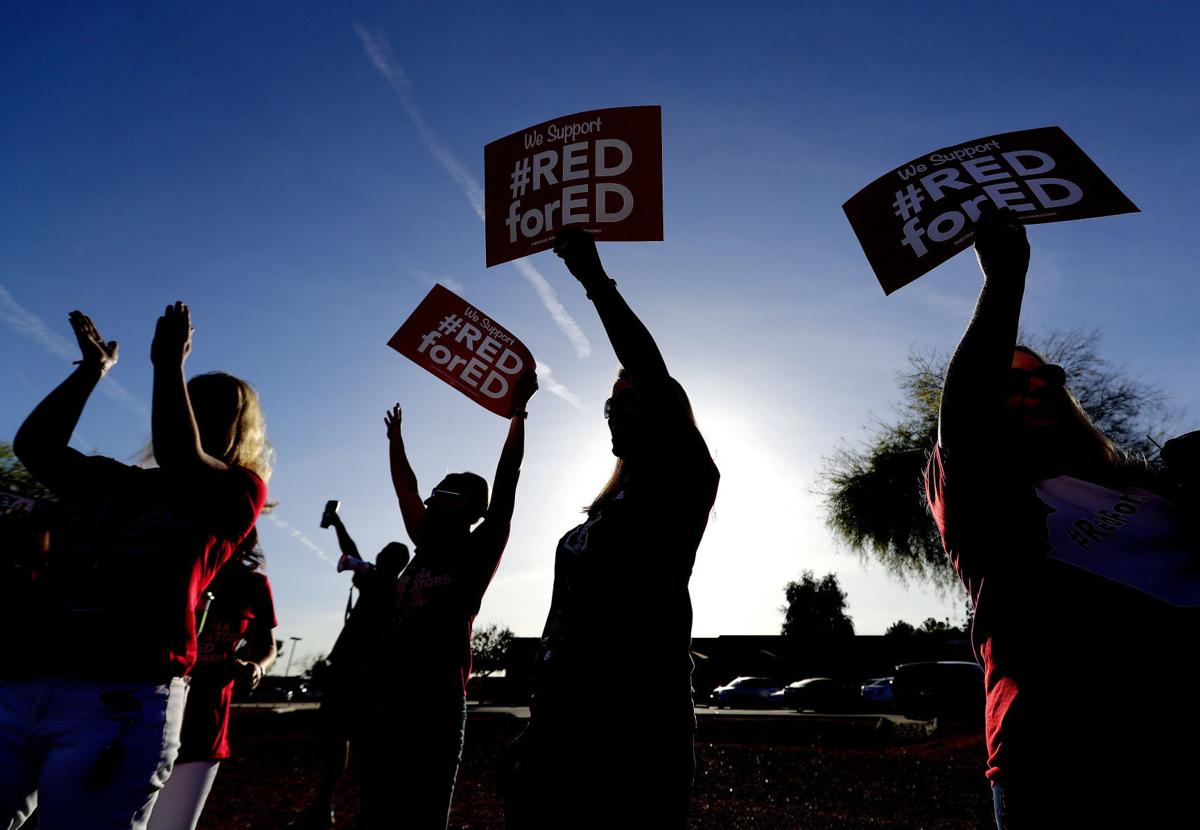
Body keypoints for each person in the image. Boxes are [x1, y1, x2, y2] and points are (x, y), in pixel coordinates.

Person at [925, 206, 1200, 827]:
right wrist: (1004, 281)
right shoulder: (983, 500)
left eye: (1047, 375)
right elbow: (965, 411)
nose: (1038, 387)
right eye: (1011, 381)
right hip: (1067, 755)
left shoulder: (1139, 482)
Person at [0, 303, 269, 830]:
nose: (203, 412)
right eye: (196, 402)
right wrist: (90, 372)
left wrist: (168, 364)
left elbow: (178, 454)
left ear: (240, 430)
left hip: (118, 700)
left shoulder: (237, 493)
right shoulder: (120, 481)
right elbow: (36, 446)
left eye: (220, 408)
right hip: (25, 679)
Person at [503, 229, 719, 830]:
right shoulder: (601, 508)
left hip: (636, 717)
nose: (616, 410)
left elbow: (650, 369)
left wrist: (595, 282)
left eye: (632, 401)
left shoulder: (683, 482)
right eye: (610, 404)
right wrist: (538, 722)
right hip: (563, 718)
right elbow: (562, 617)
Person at [353, 368, 537, 830]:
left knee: (424, 813)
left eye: (443, 493)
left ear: (469, 508)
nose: (431, 498)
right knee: (375, 812)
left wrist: (518, 415)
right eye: (433, 491)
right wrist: (396, 440)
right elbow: (406, 488)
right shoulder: (422, 543)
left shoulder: (479, 548)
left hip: (435, 703)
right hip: (387, 698)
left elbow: (508, 477)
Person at [285, 506, 410, 830]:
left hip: (356, 674)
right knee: (353, 744)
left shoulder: (381, 585)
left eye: (383, 553)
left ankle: (333, 808)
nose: (377, 556)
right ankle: (346, 810)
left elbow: (350, 551)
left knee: (345, 742)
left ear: (392, 562)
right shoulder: (389, 588)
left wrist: (338, 523)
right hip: (360, 673)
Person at [146, 527, 277, 830]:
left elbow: (266, 645)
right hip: (151, 709)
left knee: (173, 824)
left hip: (207, 720)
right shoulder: (173, 566)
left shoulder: (253, 585)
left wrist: (258, 666)